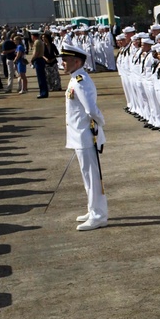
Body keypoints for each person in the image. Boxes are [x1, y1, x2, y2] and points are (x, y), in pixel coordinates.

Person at [60, 40, 108, 231]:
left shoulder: (81, 81)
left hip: (86, 136)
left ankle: (99, 216)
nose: (62, 62)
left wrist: (101, 125)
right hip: (79, 135)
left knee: (92, 177)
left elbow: (91, 109)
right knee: (87, 177)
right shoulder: (75, 78)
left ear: (77, 62)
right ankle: (93, 209)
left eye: (66, 59)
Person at [29, 28, 49, 98]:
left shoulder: (37, 42)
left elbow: (36, 53)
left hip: (38, 60)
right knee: (42, 77)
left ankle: (43, 93)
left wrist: (31, 60)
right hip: (40, 60)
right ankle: (44, 92)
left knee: (41, 78)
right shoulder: (39, 41)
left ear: (33, 36)